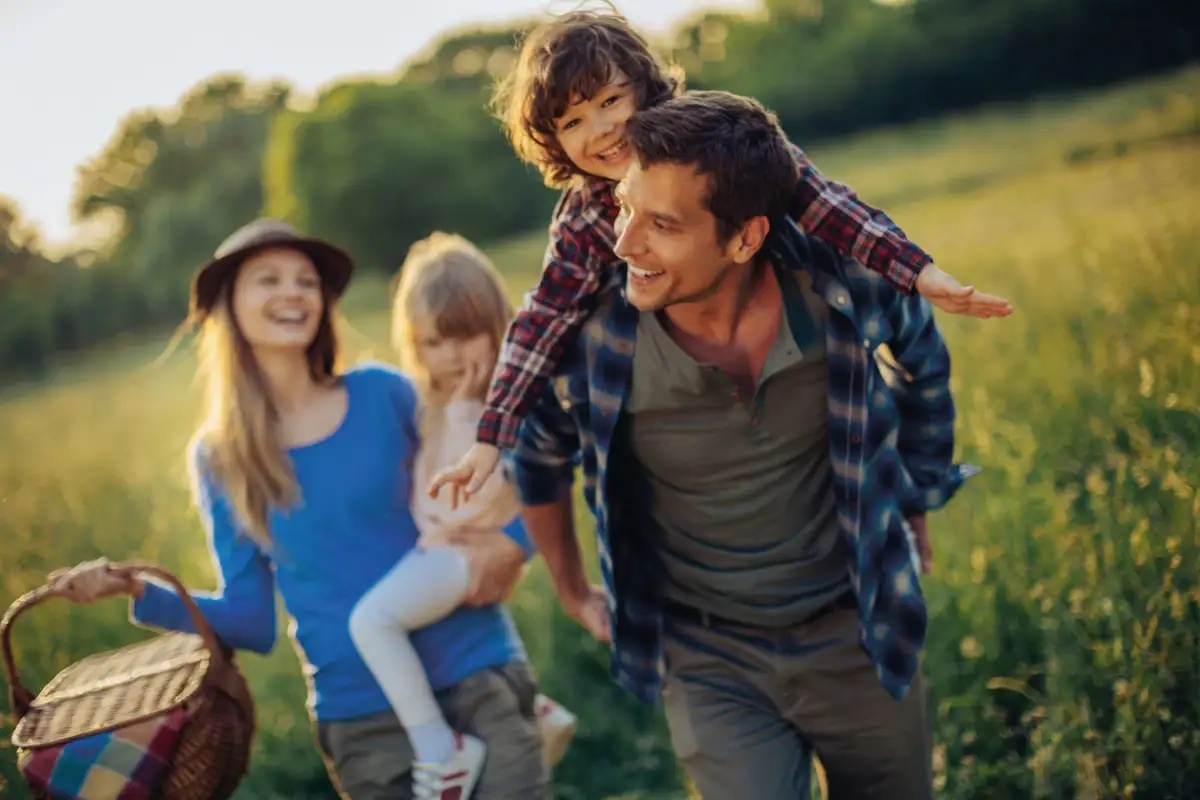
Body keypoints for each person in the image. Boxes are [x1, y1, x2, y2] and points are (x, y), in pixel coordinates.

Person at [509, 90, 980, 798]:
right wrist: (574, 590)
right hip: (706, 656)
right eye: (627, 207)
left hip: (857, 627)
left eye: (661, 224)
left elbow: (923, 358)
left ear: (745, 237)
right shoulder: (596, 335)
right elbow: (537, 456)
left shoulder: (841, 287)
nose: (625, 242)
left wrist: (915, 490)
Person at [47, 218, 550, 800]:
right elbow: (251, 621)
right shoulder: (222, 459)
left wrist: (514, 542)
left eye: (306, 281)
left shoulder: (383, 393)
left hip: (476, 673)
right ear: (228, 306)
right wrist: (137, 590)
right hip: (362, 720)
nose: (293, 293)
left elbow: (499, 471)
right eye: (269, 280)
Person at [428, 6, 1011, 501]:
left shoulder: (720, 137)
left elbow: (825, 203)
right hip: (671, 364)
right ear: (553, 140)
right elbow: (544, 317)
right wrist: (491, 436)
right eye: (574, 121)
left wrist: (919, 272)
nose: (601, 129)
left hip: (785, 316)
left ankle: (907, 482)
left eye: (610, 100)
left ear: (642, 86)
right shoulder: (583, 217)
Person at [347, 231, 578, 794]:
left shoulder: (493, 408)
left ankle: (439, 750)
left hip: (461, 554)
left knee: (371, 622)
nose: (449, 355)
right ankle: (537, 708)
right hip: (448, 551)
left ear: (498, 324)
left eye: (464, 335)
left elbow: (468, 498)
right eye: (431, 342)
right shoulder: (436, 402)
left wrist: (465, 413)